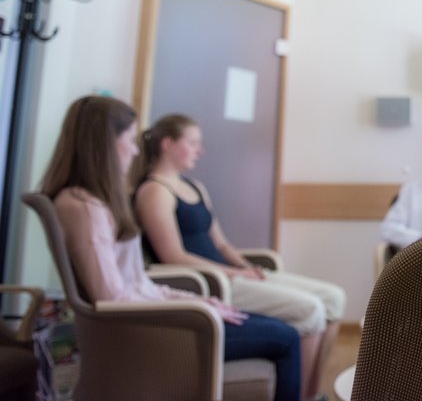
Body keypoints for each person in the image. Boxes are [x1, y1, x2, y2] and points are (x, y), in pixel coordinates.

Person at [41, 96, 300, 400]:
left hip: (156, 317)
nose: (137, 149)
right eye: (130, 139)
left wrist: (196, 299)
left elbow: (136, 284)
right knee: (285, 336)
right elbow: (111, 299)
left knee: (271, 326)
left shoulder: (90, 201)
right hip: (151, 331)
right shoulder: (86, 207)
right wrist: (193, 308)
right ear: (106, 143)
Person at [131, 114, 345, 401]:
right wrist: (233, 274)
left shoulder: (195, 186)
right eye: (193, 142)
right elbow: (173, 257)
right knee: (310, 311)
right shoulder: (154, 191)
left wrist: (246, 266)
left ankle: (313, 393)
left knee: (334, 298)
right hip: (209, 283)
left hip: (231, 274)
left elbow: (221, 242)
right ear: (168, 144)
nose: (200, 150)